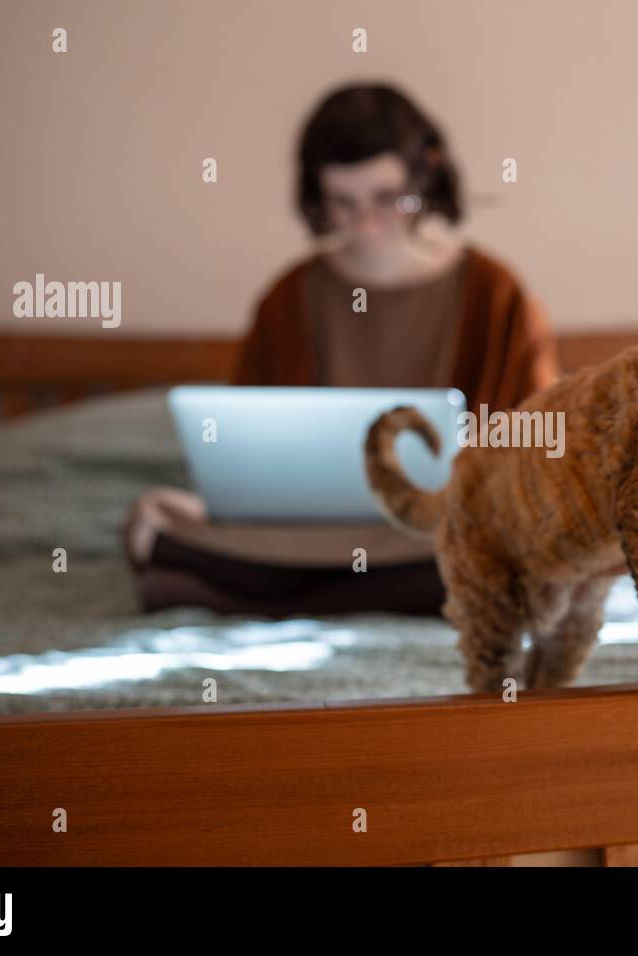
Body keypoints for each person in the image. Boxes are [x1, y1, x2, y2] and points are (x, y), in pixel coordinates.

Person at [123, 83, 559, 617]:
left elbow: (538, 448)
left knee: (522, 545)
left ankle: (232, 596)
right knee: (151, 523)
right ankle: (289, 588)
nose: (369, 225)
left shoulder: (495, 293)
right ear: (318, 198)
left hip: (440, 529)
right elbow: (248, 456)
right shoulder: (289, 298)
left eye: (385, 198)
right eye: (344, 204)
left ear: (425, 175)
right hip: (307, 535)